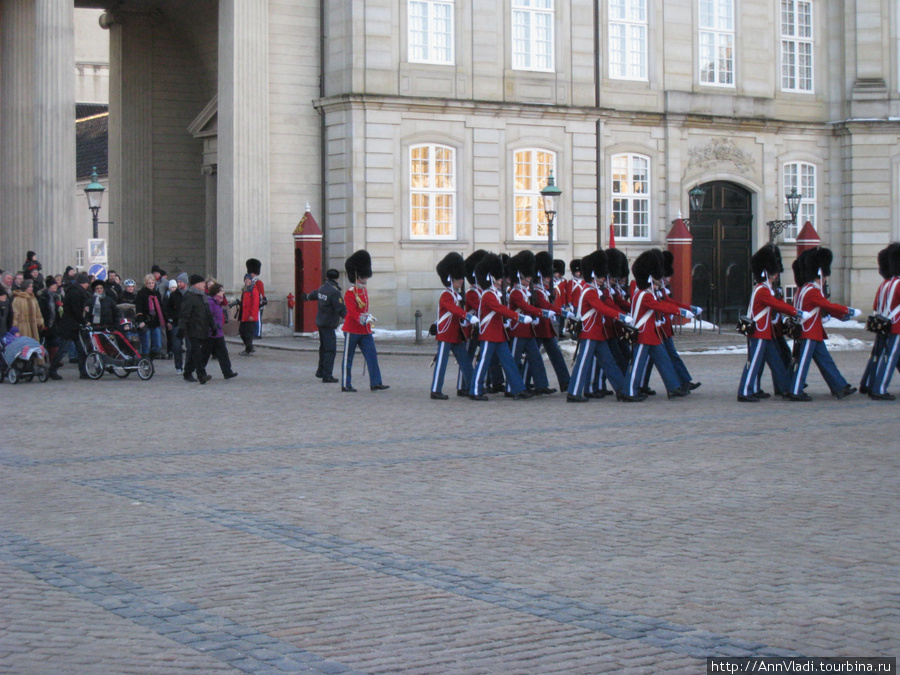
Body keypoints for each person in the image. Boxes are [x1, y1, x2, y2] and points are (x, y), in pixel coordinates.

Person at [786, 247, 860, 401]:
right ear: (819, 274)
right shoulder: (812, 290)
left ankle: (839, 386)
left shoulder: (802, 289)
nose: (825, 279)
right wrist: (848, 311)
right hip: (809, 332)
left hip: (811, 331)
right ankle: (795, 391)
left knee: (825, 361)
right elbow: (828, 306)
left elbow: (819, 309)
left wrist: (840, 316)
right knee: (803, 363)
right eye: (824, 276)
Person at [736, 245, 806, 402]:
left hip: (765, 332)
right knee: (753, 363)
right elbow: (778, 305)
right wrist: (797, 312)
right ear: (766, 272)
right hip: (759, 332)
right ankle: (744, 392)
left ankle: (786, 388)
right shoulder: (762, 290)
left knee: (776, 362)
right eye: (773, 273)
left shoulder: (765, 288)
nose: (776, 276)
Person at [622, 249, 693, 401]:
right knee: (636, 365)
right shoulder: (644, 294)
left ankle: (673, 388)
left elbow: (663, 303)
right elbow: (660, 307)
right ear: (650, 279)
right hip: (642, 334)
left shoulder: (649, 292)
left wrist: (682, 309)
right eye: (656, 280)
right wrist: (680, 312)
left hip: (652, 335)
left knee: (664, 361)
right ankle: (629, 392)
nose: (659, 282)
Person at [566, 250, 633, 402]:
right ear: (594, 275)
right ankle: (574, 392)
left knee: (609, 362)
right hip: (589, 332)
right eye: (601, 276)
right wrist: (620, 316)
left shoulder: (594, 290)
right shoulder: (589, 291)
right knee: (583, 363)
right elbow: (601, 308)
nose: (604, 279)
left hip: (597, 332)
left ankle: (621, 389)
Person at [468, 252, 533, 401]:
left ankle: (518, 388)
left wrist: (507, 322)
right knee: (483, 363)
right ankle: (475, 390)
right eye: (499, 278)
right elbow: (500, 310)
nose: (501, 281)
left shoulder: (495, 293)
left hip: (498, 334)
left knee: (509, 362)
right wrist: (519, 317)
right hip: (489, 334)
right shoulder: (488, 295)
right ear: (492, 279)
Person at [506, 250, 555, 396]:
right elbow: (526, 307)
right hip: (517, 330)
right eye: (526, 279)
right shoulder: (516, 292)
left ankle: (541, 384)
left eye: (529, 279)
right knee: (513, 361)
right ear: (520, 277)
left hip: (527, 330)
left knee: (536, 358)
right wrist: (542, 313)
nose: (528, 281)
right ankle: (511, 388)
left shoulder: (525, 291)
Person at [429, 252, 476, 399]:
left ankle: (472, 387)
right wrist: (467, 315)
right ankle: (435, 390)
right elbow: (453, 309)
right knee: (441, 364)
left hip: (456, 334)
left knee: (466, 363)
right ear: (451, 279)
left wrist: (466, 319)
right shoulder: (446, 295)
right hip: (445, 334)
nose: (462, 281)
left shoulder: (457, 295)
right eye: (458, 278)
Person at [340, 249, 388, 392]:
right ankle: (345, 384)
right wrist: (364, 318)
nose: (365, 279)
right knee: (348, 359)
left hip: (364, 330)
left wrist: (368, 317)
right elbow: (352, 311)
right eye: (363, 276)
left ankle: (376, 382)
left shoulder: (363, 291)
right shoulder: (350, 292)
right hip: (352, 329)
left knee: (372, 356)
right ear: (357, 275)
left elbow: (364, 308)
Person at [300, 268, 346, 383]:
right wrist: (350, 319)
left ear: (327, 277)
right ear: (337, 278)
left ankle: (321, 371)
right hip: (329, 323)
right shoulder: (335, 292)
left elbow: (314, 295)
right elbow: (340, 308)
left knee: (323, 348)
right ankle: (327, 375)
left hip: (321, 322)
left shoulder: (322, 288)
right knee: (330, 350)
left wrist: (306, 297)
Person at [869, 244, 900, 400]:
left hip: (888, 323)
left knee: (887, 356)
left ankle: (872, 384)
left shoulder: (888, 284)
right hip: (897, 326)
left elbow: (877, 305)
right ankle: (879, 389)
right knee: (890, 358)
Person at [54, 272, 91, 379]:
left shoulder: (75, 291)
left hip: (73, 326)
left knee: (81, 349)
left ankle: (83, 372)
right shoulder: (76, 293)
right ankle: (52, 369)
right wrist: (84, 321)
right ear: (83, 283)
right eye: (87, 283)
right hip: (70, 326)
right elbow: (76, 311)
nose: (88, 285)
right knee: (63, 349)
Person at [198, 282, 238, 381]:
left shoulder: (218, 301)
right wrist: (212, 327)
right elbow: (208, 317)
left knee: (223, 353)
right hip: (211, 333)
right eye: (221, 290)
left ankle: (227, 372)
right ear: (216, 292)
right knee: (205, 354)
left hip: (218, 332)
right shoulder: (211, 302)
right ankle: (199, 372)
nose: (223, 292)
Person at [178, 274, 212, 384]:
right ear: (196, 284)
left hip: (202, 328)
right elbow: (184, 314)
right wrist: (182, 328)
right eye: (203, 283)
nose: (204, 285)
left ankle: (187, 372)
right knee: (197, 352)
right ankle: (201, 375)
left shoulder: (203, 296)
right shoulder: (189, 296)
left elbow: (208, 312)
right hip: (193, 329)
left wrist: (213, 325)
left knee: (194, 351)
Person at [134, 273, 168, 358]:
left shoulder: (156, 294)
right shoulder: (141, 294)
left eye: (152, 283)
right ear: (146, 284)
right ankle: (146, 362)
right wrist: (141, 320)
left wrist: (166, 321)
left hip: (155, 322)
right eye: (149, 283)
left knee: (158, 345)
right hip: (146, 322)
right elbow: (139, 308)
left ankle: (150, 359)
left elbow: (161, 308)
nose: (151, 285)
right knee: (146, 346)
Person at [38, 276, 64, 379]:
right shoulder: (44, 297)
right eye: (53, 285)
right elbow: (42, 311)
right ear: (48, 286)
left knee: (55, 346)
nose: (55, 287)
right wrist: (43, 324)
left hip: (55, 326)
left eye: (55, 285)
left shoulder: (57, 296)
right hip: (46, 326)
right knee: (44, 347)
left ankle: (52, 369)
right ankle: (44, 367)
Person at [238, 259, 265, 355]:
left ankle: (257, 335)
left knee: (254, 324)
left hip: (255, 308)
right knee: (243, 330)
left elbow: (261, 294)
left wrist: (263, 300)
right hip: (246, 311)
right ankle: (249, 346)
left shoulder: (257, 283)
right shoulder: (247, 285)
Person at [166, 273, 189, 373]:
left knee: (190, 346)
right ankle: (178, 367)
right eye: (178, 281)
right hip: (177, 323)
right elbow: (168, 308)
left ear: (185, 282)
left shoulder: (190, 294)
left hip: (189, 324)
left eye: (180, 282)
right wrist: (170, 319)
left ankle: (189, 366)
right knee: (177, 346)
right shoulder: (173, 295)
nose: (179, 283)